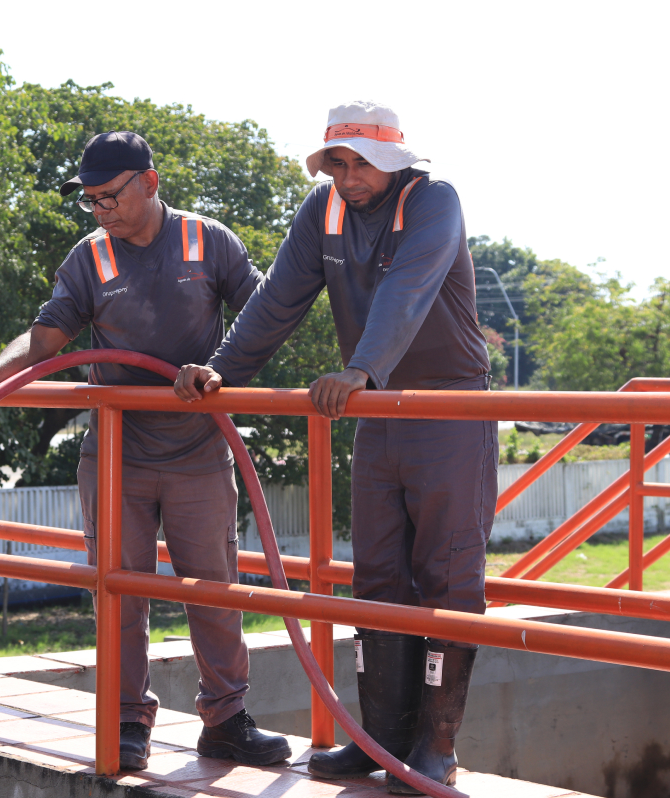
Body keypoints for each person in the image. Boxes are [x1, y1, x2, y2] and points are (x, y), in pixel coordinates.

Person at [174, 101, 497, 794]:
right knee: (376, 577)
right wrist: (223, 367)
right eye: (337, 163)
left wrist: (360, 367)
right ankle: (377, 741)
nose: (349, 177)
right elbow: (278, 299)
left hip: (446, 405)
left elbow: (409, 288)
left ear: (394, 161)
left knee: (446, 578)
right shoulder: (322, 213)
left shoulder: (433, 202)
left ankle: (435, 746)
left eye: (362, 163)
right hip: (375, 408)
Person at [0, 131, 292, 771]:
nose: (100, 209)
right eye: (90, 200)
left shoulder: (208, 241)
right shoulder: (91, 259)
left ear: (149, 183)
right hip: (114, 458)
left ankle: (225, 720)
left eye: (109, 196)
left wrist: (216, 370)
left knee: (215, 590)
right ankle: (129, 721)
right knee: (119, 591)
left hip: (198, 450)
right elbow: (48, 336)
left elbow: (263, 318)